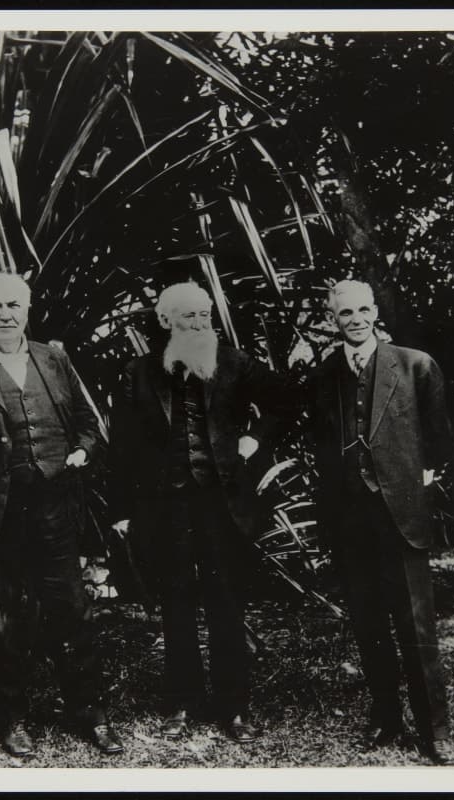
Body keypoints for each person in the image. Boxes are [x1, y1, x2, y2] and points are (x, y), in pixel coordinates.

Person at [0, 272, 123, 758]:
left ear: (28, 309)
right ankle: (11, 720)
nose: (6, 314)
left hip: (55, 513)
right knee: (5, 624)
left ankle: (90, 716)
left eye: (14, 305)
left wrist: (82, 452)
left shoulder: (54, 360)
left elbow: (89, 425)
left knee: (73, 615)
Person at [108, 281, 288, 743]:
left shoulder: (234, 362)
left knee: (226, 603)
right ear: (165, 321)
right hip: (164, 507)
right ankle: (181, 703)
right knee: (177, 605)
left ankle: (234, 709)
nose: (200, 323)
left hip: (221, 505)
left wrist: (255, 440)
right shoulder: (138, 372)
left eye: (205, 315)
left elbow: (283, 400)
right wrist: (123, 510)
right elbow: (123, 447)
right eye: (189, 316)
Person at [305, 279, 454, 765]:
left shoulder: (415, 366)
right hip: (350, 522)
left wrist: (415, 483)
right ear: (333, 319)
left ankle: (436, 731)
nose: (355, 319)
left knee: (416, 628)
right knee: (369, 624)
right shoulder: (325, 375)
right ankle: (386, 718)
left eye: (363, 310)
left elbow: (439, 439)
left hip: (402, 518)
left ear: (375, 312)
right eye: (344, 313)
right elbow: (320, 442)